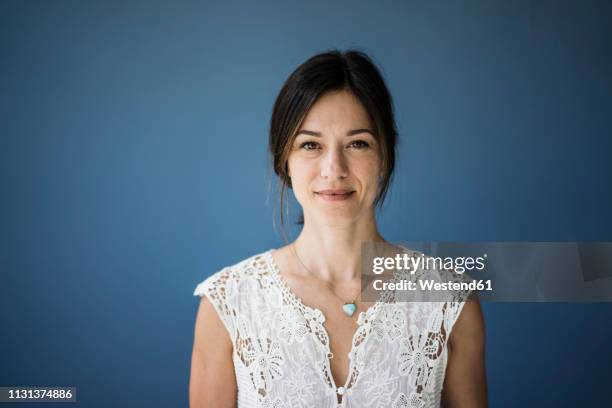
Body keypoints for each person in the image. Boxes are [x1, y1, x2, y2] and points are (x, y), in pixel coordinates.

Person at [189, 49, 487, 407]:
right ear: (284, 159)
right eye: (310, 145)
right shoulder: (229, 303)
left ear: (385, 156)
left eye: (357, 143)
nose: (334, 168)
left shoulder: (448, 301)